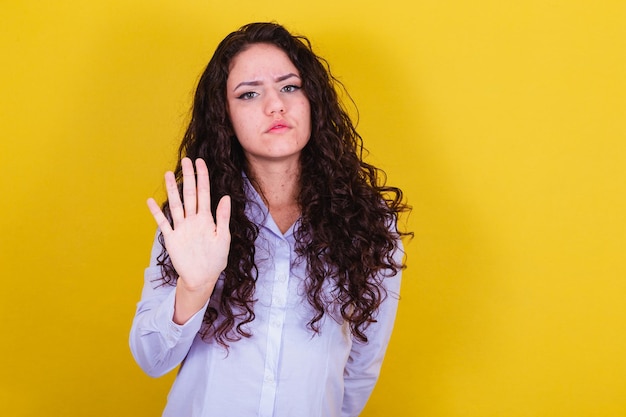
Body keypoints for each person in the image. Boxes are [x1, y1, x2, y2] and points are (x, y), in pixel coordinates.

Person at [129, 22, 410, 417]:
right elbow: (151, 358)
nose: (275, 105)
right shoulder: (195, 216)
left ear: (313, 100)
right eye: (248, 94)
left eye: (289, 87)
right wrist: (194, 286)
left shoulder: (371, 224)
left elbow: (362, 366)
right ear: (224, 116)